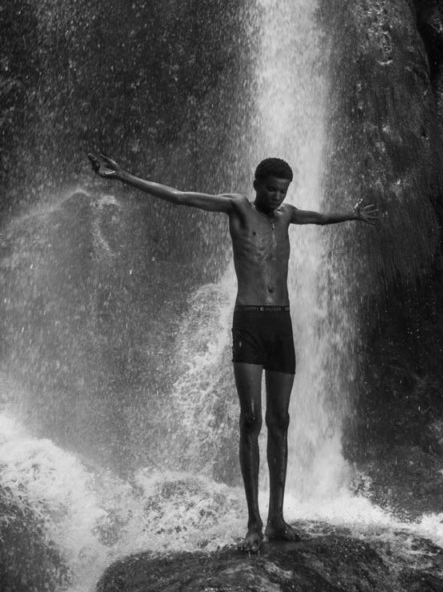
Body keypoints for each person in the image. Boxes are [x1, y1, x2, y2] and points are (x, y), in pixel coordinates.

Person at [88, 152, 378, 552]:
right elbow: (179, 196)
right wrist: (123, 177)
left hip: (281, 323)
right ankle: (254, 523)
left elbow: (320, 217)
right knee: (250, 419)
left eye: (282, 191)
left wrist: (352, 215)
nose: (277, 197)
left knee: (281, 419)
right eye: (271, 189)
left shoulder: (288, 215)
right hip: (249, 323)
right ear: (256, 184)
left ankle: (277, 519)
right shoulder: (238, 207)